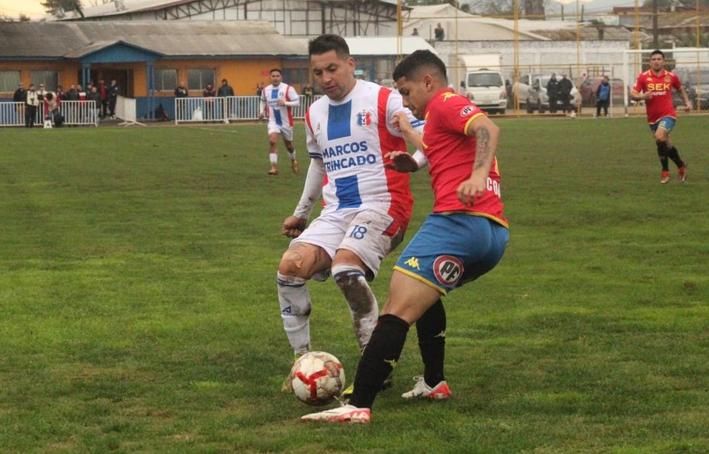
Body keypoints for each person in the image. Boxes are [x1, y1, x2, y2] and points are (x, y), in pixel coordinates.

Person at [302, 49, 509, 424]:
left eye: (407, 91)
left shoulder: (445, 102)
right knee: (425, 294)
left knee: (397, 307)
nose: (406, 101)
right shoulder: (438, 118)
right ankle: (434, 382)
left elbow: (487, 129)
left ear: (428, 82)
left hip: (457, 222)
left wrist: (477, 176)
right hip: (492, 234)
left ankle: (358, 405)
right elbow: (442, 151)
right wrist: (411, 158)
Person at [276, 34, 424, 397]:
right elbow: (318, 164)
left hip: (384, 205)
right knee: (290, 268)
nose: (326, 78)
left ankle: (376, 367)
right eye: (318, 72)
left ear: (350, 64)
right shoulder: (314, 113)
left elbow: (424, 135)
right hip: (337, 211)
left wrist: (415, 162)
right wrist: (301, 214)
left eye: (332, 68)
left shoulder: (384, 99)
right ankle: (302, 363)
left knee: (345, 269)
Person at [631, 49, 691, 184]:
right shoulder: (643, 77)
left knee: (659, 136)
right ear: (649, 62)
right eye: (653, 59)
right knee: (665, 144)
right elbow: (633, 94)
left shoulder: (671, 76)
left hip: (668, 114)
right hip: (652, 117)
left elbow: (680, 89)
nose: (656, 61)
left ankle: (665, 172)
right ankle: (681, 166)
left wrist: (687, 102)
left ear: (663, 61)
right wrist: (643, 96)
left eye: (659, 59)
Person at [260, 68, 301, 175]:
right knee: (272, 141)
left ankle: (293, 160)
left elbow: (297, 102)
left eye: (277, 76)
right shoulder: (265, 90)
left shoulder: (288, 88)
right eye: (273, 76)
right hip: (273, 121)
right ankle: (274, 167)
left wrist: (285, 103)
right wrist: (261, 111)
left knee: (289, 146)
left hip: (286, 122)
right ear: (270, 77)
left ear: (281, 77)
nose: (275, 78)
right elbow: (263, 101)